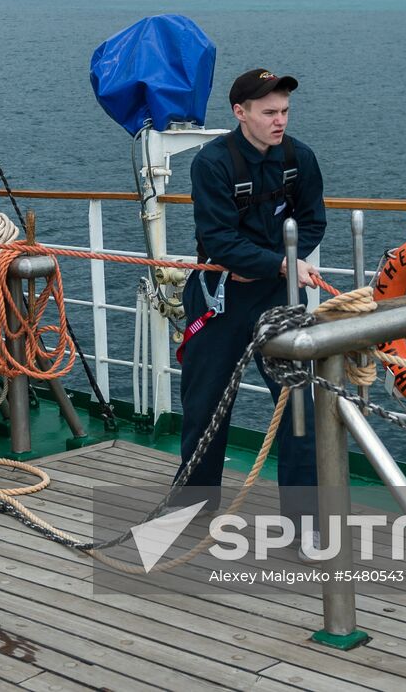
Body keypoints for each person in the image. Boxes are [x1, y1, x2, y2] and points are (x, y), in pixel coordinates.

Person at [174, 68, 325, 535]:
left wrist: (272, 265)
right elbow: (217, 239)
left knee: (298, 408)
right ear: (240, 113)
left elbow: (313, 222)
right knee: (206, 405)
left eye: (284, 112)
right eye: (268, 113)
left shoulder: (300, 159)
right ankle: (193, 510)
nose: (279, 121)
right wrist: (279, 262)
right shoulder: (212, 164)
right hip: (219, 298)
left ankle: (304, 524)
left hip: (277, 298)